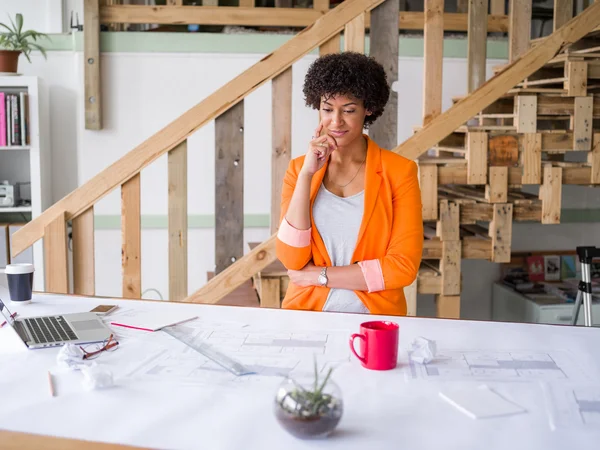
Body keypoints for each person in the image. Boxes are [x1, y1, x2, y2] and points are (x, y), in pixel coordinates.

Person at [275, 52, 423, 316]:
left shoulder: (400, 172)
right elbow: (291, 259)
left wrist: (318, 276)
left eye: (349, 110)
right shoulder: (299, 169)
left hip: (375, 322)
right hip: (306, 315)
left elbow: (402, 268)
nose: (336, 121)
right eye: (327, 109)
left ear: (369, 109)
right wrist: (307, 175)